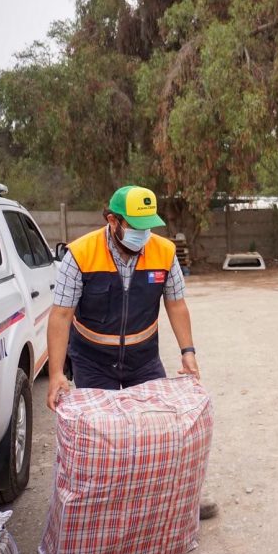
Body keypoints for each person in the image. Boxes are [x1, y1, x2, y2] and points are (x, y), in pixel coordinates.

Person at [45, 184, 218, 519]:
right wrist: (54, 375)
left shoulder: (164, 251)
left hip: (143, 357)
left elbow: (176, 303)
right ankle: (102, 506)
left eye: (148, 226)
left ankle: (179, 499)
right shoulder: (80, 254)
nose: (144, 234)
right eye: (136, 227)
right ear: (113, 220)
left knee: (163, 429)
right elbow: (61, 314)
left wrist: (188, 351)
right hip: (92, 360)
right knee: (102, 438)